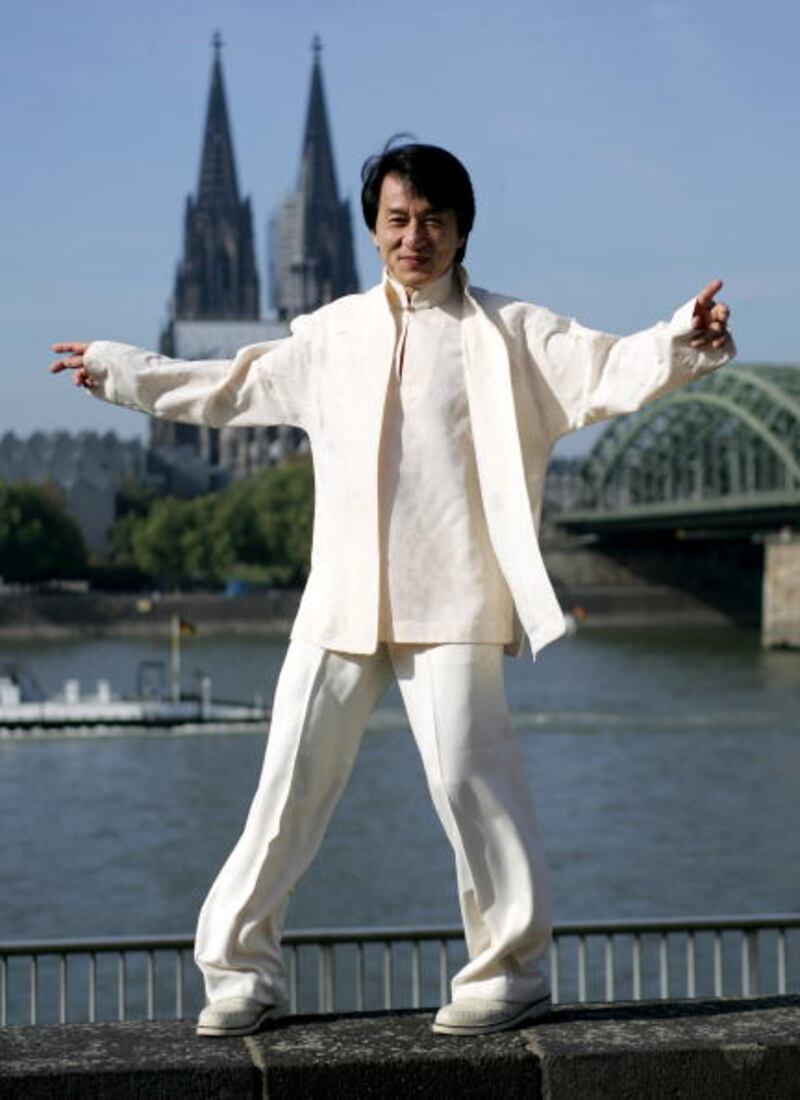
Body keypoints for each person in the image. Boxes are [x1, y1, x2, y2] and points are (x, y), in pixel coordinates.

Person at [50, 141, 733, 1038]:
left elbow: (605, 366)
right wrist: (119, 370)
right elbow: (229, 384)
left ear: (462, 230)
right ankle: (242, 972)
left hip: (454, 592)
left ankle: (512, 969)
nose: (416, 237)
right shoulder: (331, 334)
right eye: (399, 219)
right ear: (372, 230)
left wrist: (682, 337)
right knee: (287, 786)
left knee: (468, 778)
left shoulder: (512, 331)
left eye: (434, 220)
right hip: (341, 594)